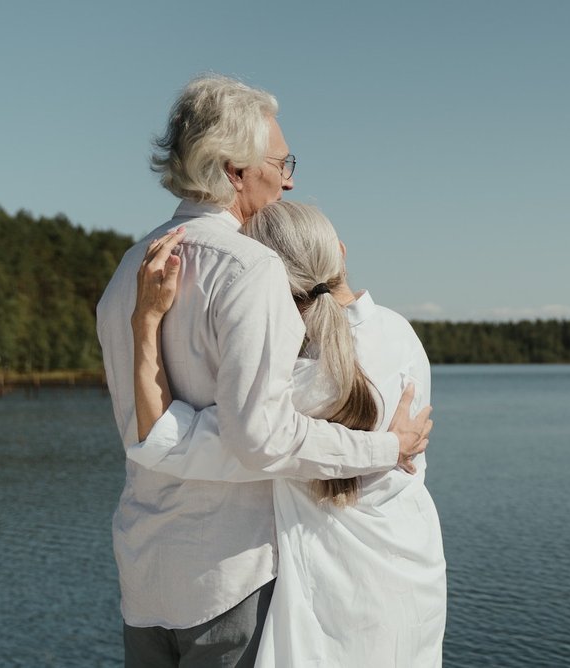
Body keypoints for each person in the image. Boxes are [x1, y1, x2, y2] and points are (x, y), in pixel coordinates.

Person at [96, 74, 432, 667]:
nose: (289, 179)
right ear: (234, 171)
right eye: (280, 163)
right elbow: (263, 437)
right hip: (231, 578)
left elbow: (144, 431)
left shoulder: (129, 270)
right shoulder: (252, 268)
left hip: (144, 574)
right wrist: (385, 447)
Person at [129, 201, 446, 667]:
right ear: (340, 253)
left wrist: (146, 323)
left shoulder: (297, 385)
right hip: (415, 576)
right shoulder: (401, 334)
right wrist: (390, 447)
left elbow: (170, 440)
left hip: (339, 603)